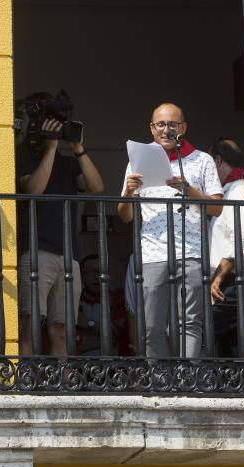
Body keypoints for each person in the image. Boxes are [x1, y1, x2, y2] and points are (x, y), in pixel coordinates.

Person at [117, 103, 223, 358]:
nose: (166, 130)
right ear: (152, 129)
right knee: (151, 325)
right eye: (161, 125)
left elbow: (217, 208)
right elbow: (125, 216)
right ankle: (161, 383)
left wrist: (189, 191)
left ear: (183, 127)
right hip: (153, 253)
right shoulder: (137, 162)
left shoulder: (201, 160)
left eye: (173, 124)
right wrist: (129, 193)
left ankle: (188, 381)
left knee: (189, 323)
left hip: (192, 250)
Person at [16, 92, 104, 357]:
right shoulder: (23, 156)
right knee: (30, 326)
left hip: (69, 257)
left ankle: (62, 386)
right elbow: (35, 189)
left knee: (61, 330)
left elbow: (97, 188)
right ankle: (25, 385)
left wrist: (78, 148)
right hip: (36, 251)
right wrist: (52, 147)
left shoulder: (68, 164)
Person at [207, 138, 244, 357]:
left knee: (200, 327)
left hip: (242, 280)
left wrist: (218, 276)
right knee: (233, 344)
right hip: (237, 279)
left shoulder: (239, 190)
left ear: (218, 160)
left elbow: (243, 234)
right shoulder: (230, 191)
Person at [76, 255, 130, 356]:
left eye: (101, 271)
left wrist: (88, 323)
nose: (97, 276)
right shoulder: (73, 302)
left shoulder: (118, 300)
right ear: (81, 276)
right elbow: (69, 343)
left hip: (112, 368)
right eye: (91, 272)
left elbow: (113, 337)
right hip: (78, 368)